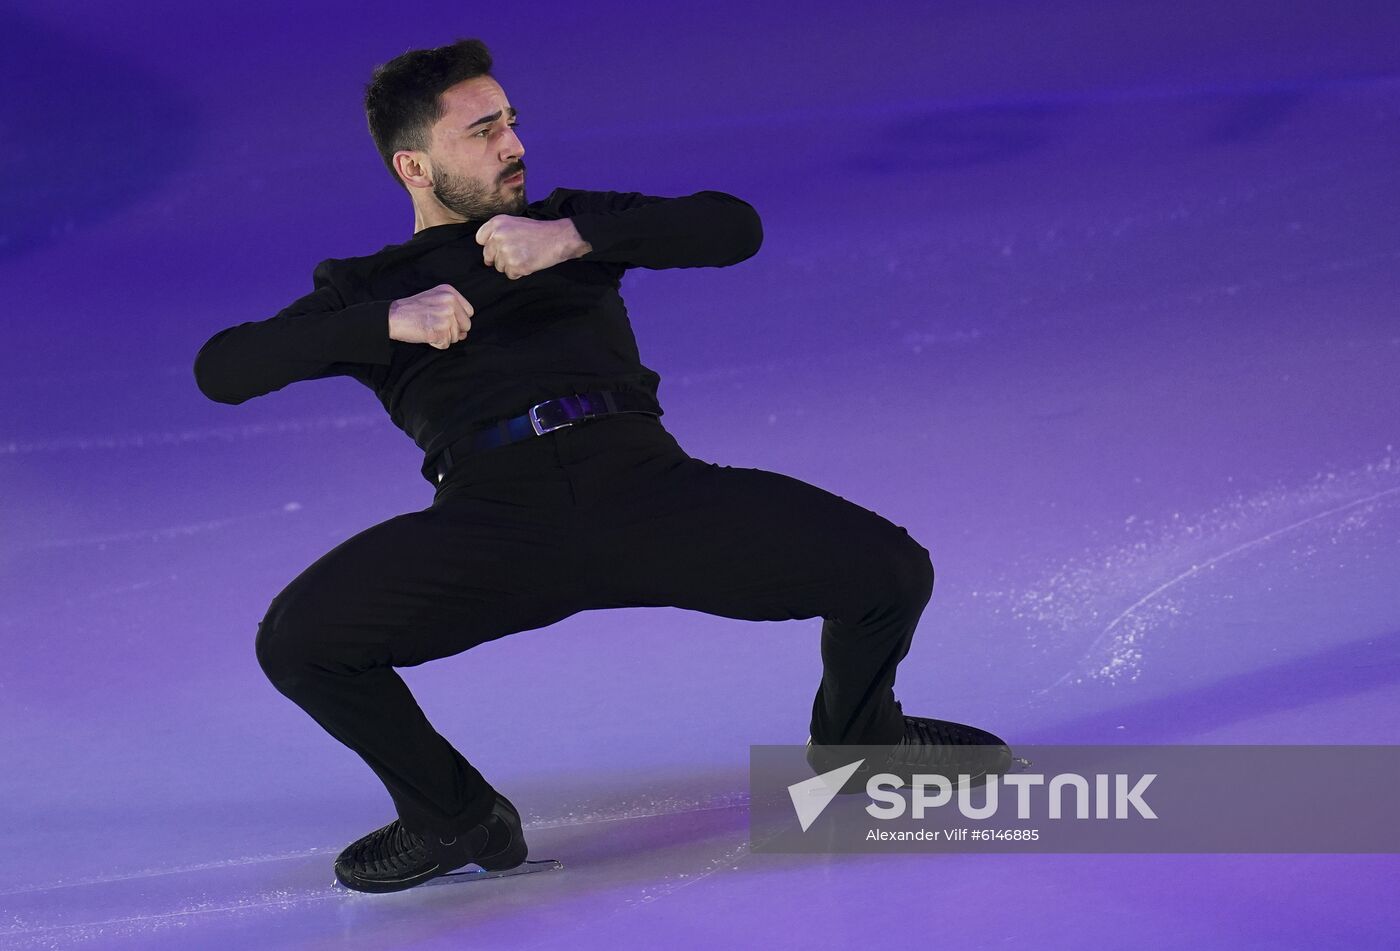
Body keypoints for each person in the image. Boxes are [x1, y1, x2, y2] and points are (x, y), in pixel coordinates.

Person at [193, 37, 1011, 894]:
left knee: (889, 570)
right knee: (299, 642)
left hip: (648, 492)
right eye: (482, 131)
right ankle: (457, 816)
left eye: (511, 122)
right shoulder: (368, 287)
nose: (513, 144)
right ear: (415, 165)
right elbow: (224, 369)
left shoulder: (566, 221)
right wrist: (383, 323)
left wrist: (573, 238)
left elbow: (734, 227)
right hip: (495, 523)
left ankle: (858, 737)